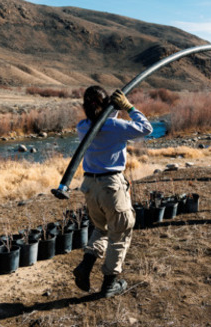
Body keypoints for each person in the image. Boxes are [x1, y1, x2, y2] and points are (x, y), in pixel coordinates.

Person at [73, 86, 153, 298]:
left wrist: (113, 109)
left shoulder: (82, 127)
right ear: (107, 104)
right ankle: (110, 283)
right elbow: (146, 128)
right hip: (111, 187)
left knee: (101, 228)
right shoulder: (117, 126)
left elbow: (101, 122)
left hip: (91, 187)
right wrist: (129, 107)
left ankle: (86, 264)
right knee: (120, 232)